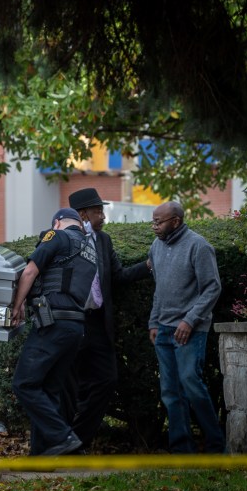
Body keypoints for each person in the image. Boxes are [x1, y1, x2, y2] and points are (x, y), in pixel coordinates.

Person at [65, 187, 152, 449]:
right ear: (82, 215)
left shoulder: (104, 241)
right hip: (72, 321)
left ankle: (77, 441)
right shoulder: (64, 239)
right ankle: (64, 442)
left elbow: (117, 276)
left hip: (98, 323)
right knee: (72, 386)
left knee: (106, 380)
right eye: (97, 211)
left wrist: (147, 266)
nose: (103, 216)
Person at [11, 208, 98, 456]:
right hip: (75, 327)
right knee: (48, 390)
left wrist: (17, 306)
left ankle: (63, 436)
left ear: (57, 222)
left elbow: (30, 270)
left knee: (24, 384)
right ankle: (41, 455)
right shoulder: (90, 250)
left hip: (53, 324)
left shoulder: (56, 236)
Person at [148, 201, 225, 453]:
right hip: (164, 328)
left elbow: (212, 287)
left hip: (190, 329)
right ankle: (182, 451)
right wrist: (154, 321)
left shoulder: (198, 246)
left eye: (159, 222)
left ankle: (216, 445)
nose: (154, 227)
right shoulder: (156, 247)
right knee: (170, 392)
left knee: (191, 382)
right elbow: (159, 289)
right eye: (153, 221)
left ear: (176, 222)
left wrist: (189, 320)